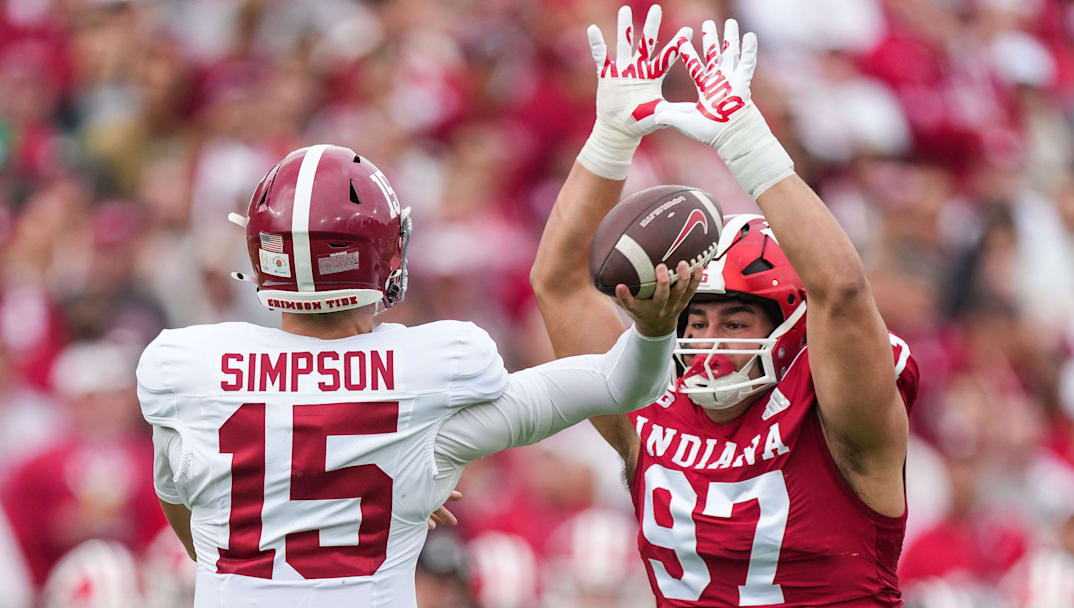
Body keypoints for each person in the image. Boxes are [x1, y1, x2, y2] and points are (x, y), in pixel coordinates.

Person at [137, 143, 702, 608]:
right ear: (386, 252)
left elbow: (180, 500)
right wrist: (655, 328)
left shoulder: (185, 371)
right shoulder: (433, 372)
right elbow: (622, 384)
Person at [530, 6, 919, 606]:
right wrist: (611, 138)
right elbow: (557, 282)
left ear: (790, 325)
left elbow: (840, 292)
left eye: (736, 321)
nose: (708, 342)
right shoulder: (647, 402)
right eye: (697, 318)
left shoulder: (838, 423)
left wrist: (745, 143)